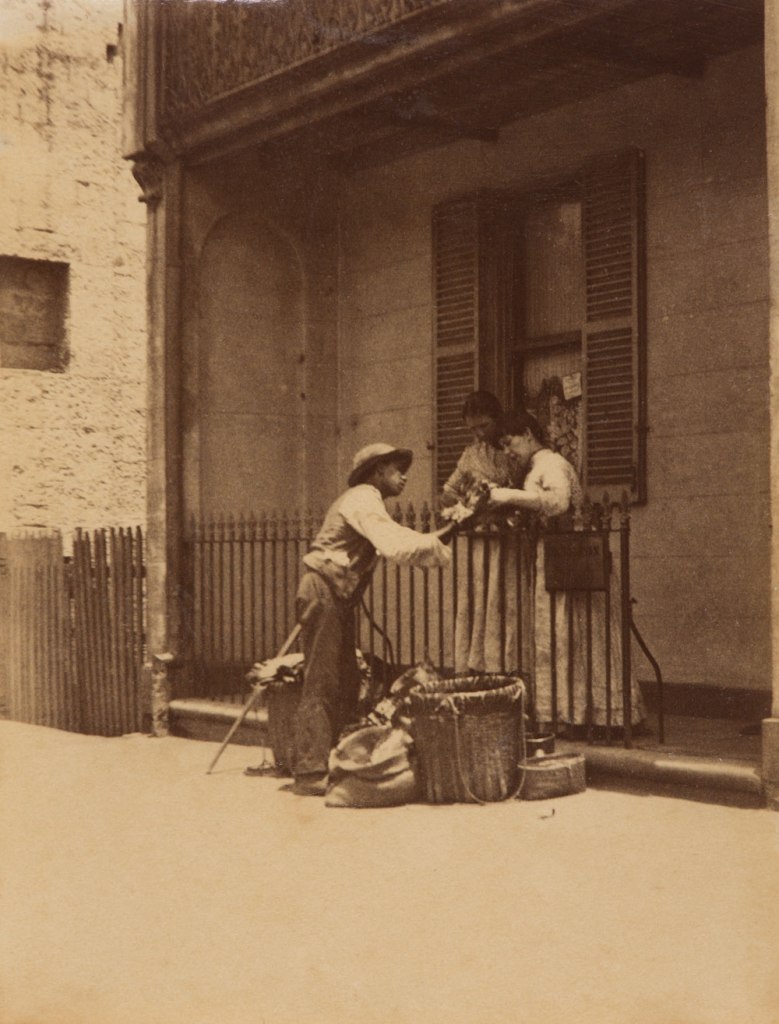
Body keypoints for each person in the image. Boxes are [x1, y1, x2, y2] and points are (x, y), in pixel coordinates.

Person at [292, 443, 454, 796]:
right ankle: (308, 771)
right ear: (378, 471)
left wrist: (442, 537)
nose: (404, 476)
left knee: (347, 680)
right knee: (322, 680)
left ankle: (338, 760)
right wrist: (440, 543)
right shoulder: (362, 499)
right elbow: (396, 544)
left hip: (336, 595)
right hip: (323, 591)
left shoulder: (367, 502)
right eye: (397, 469)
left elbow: (400, 540)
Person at [488, 410, 645, 732]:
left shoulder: (553, 464)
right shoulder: (537, 467)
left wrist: (509, 496)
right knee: (559, 637)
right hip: (555, 556)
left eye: (509, 442)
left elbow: (558, 502)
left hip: (572, 559)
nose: (507, 452)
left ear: (529, 434)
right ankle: (567, 713)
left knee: (572, 635)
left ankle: (591, 714)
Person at [440, 390, 521, 673]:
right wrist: (468, 503)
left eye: (483, 426)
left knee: (508, 598)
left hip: (510, 538)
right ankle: (481, 664)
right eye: (472, 428)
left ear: (497, 419)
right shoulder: (471, 454)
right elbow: (448, 492)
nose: (478, 433)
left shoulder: (514, 446)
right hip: (480, 539)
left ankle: (508, 665)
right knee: (481, 598)